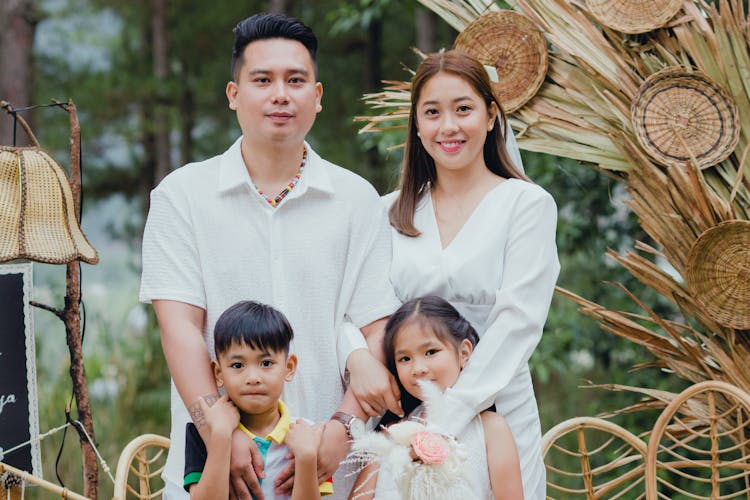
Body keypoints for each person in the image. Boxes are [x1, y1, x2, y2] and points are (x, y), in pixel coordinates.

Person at [140, 13, 402, 500]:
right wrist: (221, 432)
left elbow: (378, 326)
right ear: (233, 94)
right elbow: (178, 328)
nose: (280, 94)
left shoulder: (356, 198)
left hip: (327, 472)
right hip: (215, 475)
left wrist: (343, 429)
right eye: (262, 80)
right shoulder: (182, 195)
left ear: (317, 97)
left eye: (295, 80)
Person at [380, 49, 560, 499]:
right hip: (407, 414)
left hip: (497, 413)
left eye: (464, 109)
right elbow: (362, 309)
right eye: (433, 112)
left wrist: (448, 415)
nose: (449, 126)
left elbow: (518, 321)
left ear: (491, 115)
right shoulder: (386, 212)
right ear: (417, 125)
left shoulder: (526, 205)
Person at [350, 296, 524, 499]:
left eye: (431, 352)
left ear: (464, 353)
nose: (418, 369)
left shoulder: (490, 429)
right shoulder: (390, 435)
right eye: (405, 358)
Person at [185, 300, 332, 499]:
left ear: (289, 368)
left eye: (266, 363)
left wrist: (306, 457)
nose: (253, 378)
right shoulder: (203, 431)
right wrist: (220, 436)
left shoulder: (308, 435)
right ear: (218, 373)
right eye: (238, 365)